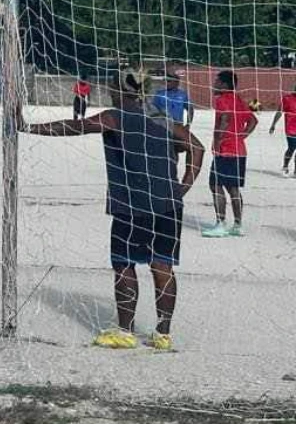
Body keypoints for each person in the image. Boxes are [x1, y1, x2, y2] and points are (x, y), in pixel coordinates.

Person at [21, 69, 204, 351]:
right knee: (163, 266)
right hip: (168, 205)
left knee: (124, 264)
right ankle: (163, 334)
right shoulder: (159, 116)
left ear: (116, 90)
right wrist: (183, 187)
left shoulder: (114, 117)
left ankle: (125, 332)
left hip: (131, 205)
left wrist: (28, 127)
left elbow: (75, 126)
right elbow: (196, 146)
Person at [202, 70, 257, 238]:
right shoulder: (238, 100)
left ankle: (220, 224)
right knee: (233, 188)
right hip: (239, 150)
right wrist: (241, 137)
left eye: (216, 82)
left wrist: (218, 142)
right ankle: (238, 225)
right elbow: (253, 121)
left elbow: (225, 119)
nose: (214, 84)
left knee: (215, 184)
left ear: (224, 85)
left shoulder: (222, 99)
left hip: (225, 151)